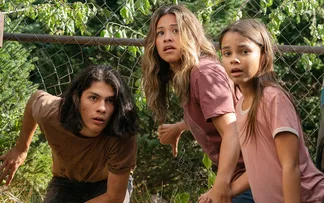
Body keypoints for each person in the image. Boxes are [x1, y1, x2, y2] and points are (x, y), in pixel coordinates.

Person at [141, 4, 254, 203]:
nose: (167, 37)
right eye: (160, 33)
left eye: (176, 30)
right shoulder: (188, 75)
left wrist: (220, 187)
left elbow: (232, 128)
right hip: (245, 175)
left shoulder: (203, 73)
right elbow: (212, 112)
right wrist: (179, 127)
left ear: (191, 35)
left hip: (254, 175)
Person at [219, 19, 324, 203]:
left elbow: (291, 165)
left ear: (263, 56)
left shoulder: (273, 98)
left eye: (244, 51)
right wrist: (222, 192)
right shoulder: (240, 106)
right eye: (227, 53)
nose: (234, 59)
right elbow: (258, 169)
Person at [0, 65, 138, 203]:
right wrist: (21, 148)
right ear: (77, 98)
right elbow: (35, 98)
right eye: (93, 98)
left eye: (110, 101)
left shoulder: (122, 131)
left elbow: (114, 197)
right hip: (66, 181)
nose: (102, 108)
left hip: (107, 183)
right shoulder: (52, 114)